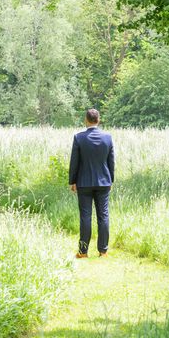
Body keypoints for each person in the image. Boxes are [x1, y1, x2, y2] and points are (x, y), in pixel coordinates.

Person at [68, 109, 115, 258]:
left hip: (84, 182)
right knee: (103, 216)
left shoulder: (79, 138)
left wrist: (72, 181)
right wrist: (110, 179)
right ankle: (103, 250)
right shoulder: (108, 138)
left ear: (86, 120)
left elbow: (74, 162)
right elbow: (111, 161)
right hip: (103, 182)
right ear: (98, 120)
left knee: (85, 216)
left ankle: (83, 252)